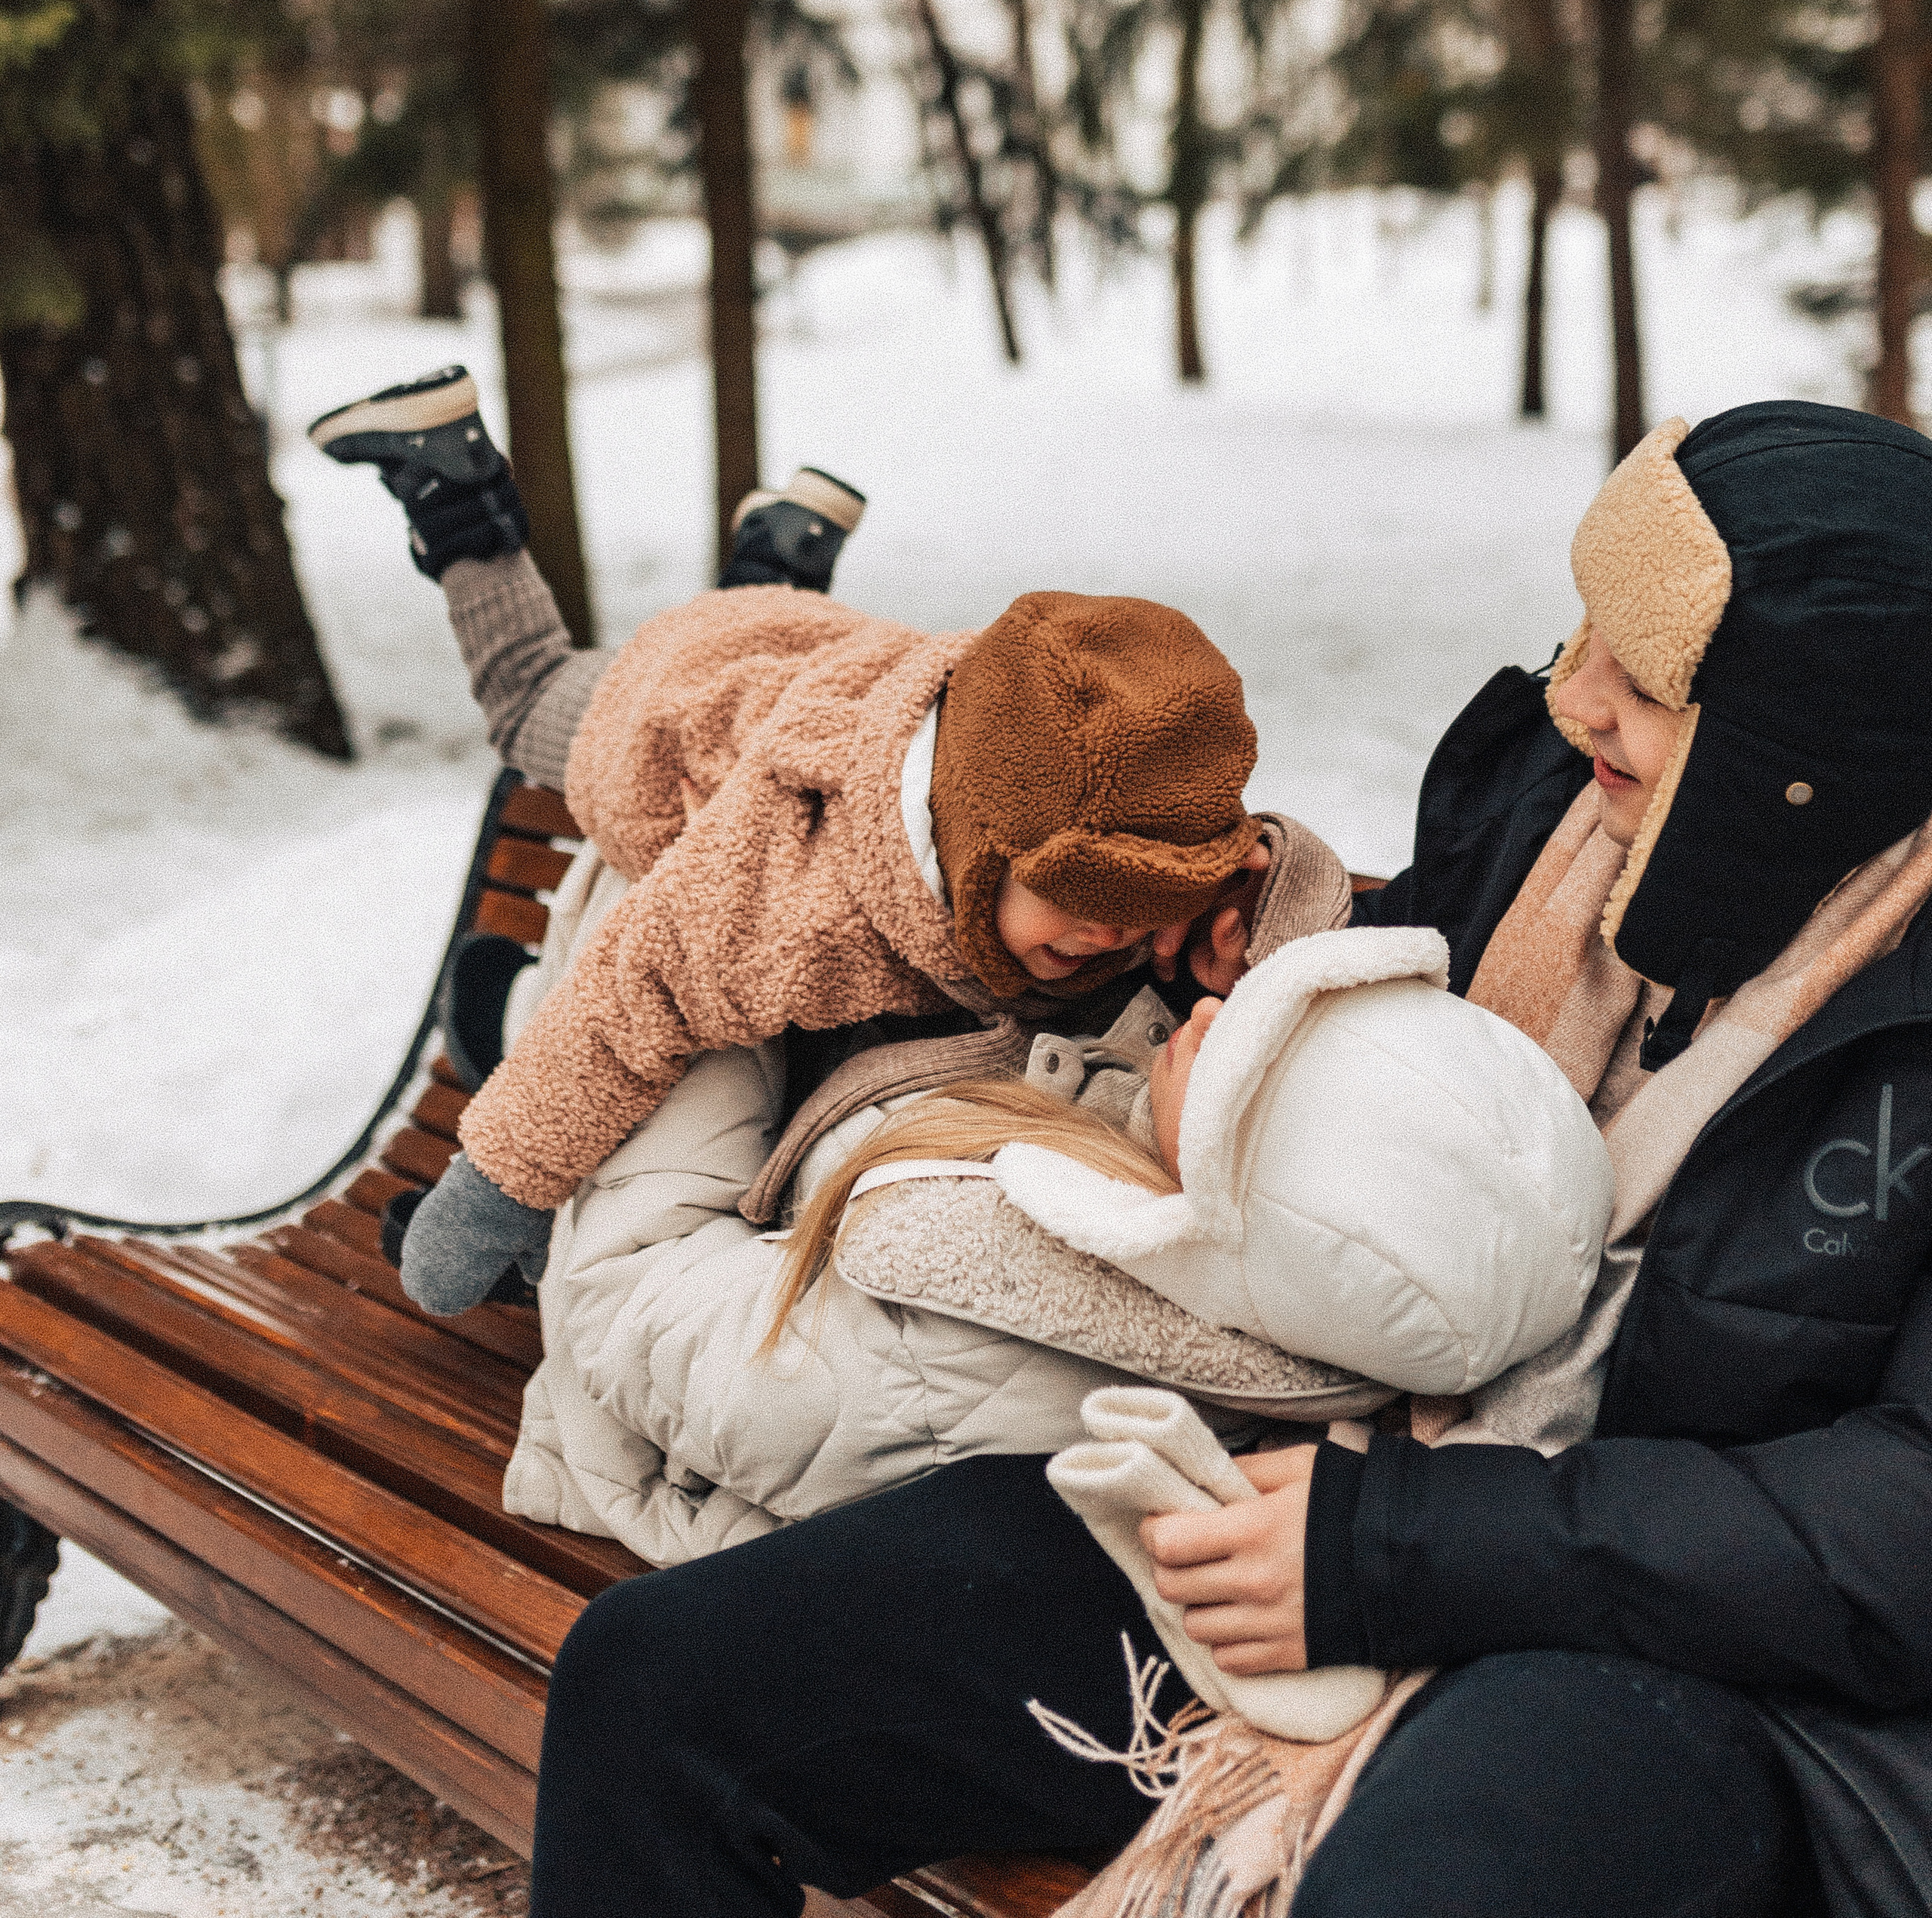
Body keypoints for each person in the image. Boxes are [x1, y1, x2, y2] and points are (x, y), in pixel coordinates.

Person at [526, 401, 1932, 1918]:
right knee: (663, 1683)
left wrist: (1398, 1548)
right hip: (1328, 1465)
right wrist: (1241, 1026)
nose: (1569, 692)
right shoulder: (1566, 811)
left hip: (1699, 1664)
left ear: (1799, 751)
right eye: (1578, 626)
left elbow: (1897, 1525)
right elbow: (1395, 1094)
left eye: (1642, 677)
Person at [309, 364, 1281, 1318]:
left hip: (813, 651)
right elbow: (621, 1003)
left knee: (750, 628)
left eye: (1143, 905)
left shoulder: (1046, 750)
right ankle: (453, 481)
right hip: (679, 698)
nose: (1112, 937)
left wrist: (1241, 895)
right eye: (1083, 900)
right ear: (977, 847)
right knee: (522, 692)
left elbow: (1222, 849)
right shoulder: (785, 902)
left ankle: (776, 556)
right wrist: (489, 1201)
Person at [499, 841, 1609, 1566]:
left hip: (639, 1298)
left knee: (656, 902)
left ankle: (512, 1016)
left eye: (1252, 1077)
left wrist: (702, 984)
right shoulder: (1278, 1282)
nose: (1220, 1019)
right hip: (808, 1143)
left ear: (1233, 1204)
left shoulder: (942, 1349)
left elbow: (624, 1293)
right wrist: (1244, 886)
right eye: (1269, 1005)